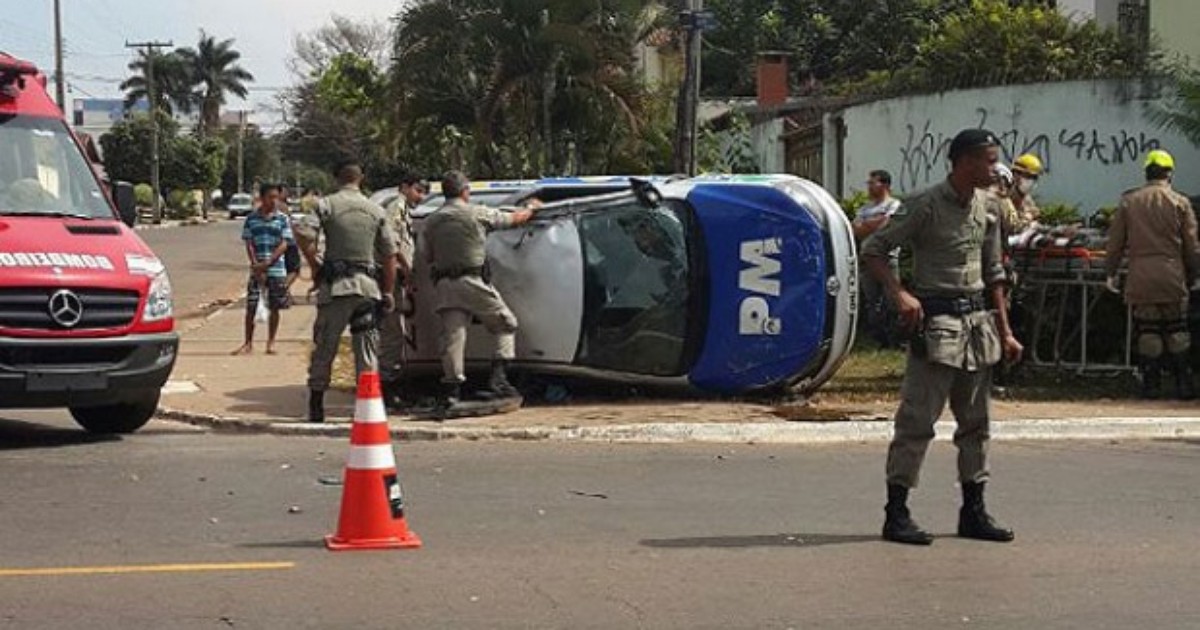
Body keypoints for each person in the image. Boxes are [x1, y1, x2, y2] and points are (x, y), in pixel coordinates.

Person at [861, 128, 1023, 546]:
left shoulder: (988, 205)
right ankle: (896, 514)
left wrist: (1005, 331)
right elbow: (874, 250)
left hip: (977, 327)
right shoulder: (924, 205)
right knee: (917, 423)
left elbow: (994, 274)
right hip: (936, 327)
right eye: (988, 161)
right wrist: (900, 294)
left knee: (977, 425)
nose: (995, 168)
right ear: (964, 161)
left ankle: (974, 511)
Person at [423, 170, 537, 409]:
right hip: (473, 281)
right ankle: (499, 380)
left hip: (445, 284)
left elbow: (428, 256)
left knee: (454, 338)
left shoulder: (432, 220)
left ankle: (452, 392)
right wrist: (531, 208)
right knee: (505, 322)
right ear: (465, 191)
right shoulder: (477, 212)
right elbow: (514, 219)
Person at [295, 161, 399, 423]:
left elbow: (303, 234)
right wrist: (388, 292)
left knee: (325, 348)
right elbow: (390, 256)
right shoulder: (376, 210)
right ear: (361, 178)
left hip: (335, 289)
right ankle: (367, 411)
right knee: (366, 352)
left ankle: (317, 407)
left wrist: (315, 264)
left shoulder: (325, 205)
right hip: (367, 290)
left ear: (336, 178)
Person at [1105, 149, 1200, 400]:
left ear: (1146, 172)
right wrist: (1195, 274)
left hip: (1140, 275)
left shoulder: (1129, 201)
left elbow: (1115, 243)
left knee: (1148, 330)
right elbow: (1192, 244)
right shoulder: (1181, 202)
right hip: (1172, 274)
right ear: (1169, 173)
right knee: (1177, 328)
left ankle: (1151, 385)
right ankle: (1183, 384)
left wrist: (1110, 272)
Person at [378, 174, 428, 409]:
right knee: (392, 334)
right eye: (418, 190)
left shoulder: (402, 207)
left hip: (395, 277)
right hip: (390, 277)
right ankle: (387, 390)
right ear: (404, 187)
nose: (421, 196)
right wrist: (407, 269)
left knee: (395, 333)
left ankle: (390, 386)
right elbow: (391, 241)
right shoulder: (396, 206)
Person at [232, 183, 294, 356]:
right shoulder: (251, 219)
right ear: (262, 198)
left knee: (275, 306)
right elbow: (249, 242)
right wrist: (256, 265)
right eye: (270, 197)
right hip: (257, 268)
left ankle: (271, 342)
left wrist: (268, 262)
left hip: (276, 269)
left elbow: (284, 243)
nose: (274, 201)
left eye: (276, 197)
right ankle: (248, 343)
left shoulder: (282, 219)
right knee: (251, 306)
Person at [853, 170, 902, 347]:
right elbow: (856, 230)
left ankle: (896, 338)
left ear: (885, 185)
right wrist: (872, 223)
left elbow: (886, 225)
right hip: (867, 259)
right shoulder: (865, 208)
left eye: (872, 183)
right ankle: (878, 338)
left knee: (893, 298)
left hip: (887, 258)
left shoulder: (894, 204)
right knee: (872, 300)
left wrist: (868, 224)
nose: (869, 186)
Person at [1010, 153, 1043, 231]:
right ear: (1016, 174)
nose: (1031, 181)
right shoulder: (1006, 197)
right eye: (1029, 176)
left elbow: (1036, 216)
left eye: (1035, 178)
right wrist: (1028, 219)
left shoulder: (1026, 198)